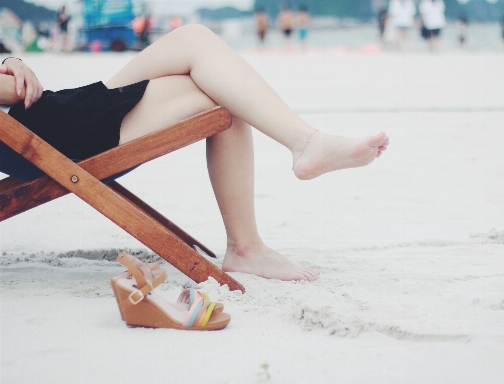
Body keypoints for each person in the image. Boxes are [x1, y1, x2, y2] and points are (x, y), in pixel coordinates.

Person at [0, 26, 389, 282]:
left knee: (197, 43)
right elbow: (14, 93)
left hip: (53, 118)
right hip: (47, 134)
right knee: (220, 89)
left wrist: (10, 61)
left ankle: (299, 156)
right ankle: (252, 237)